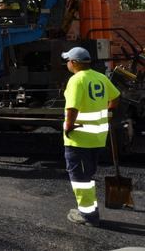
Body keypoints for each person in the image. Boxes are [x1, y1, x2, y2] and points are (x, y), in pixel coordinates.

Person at [61, 47, 120, 227]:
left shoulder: (76, 80)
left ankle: (88, 215)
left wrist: (68, 127)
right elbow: (116, 97)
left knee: (80, 178)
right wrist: (107, 111)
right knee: (87, 175)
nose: (67, 63)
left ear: (75, 63)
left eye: (68, 60)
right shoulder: (100, 77)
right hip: (97, 138)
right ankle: (88, 209)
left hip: (79, 138)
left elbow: (72, 108)